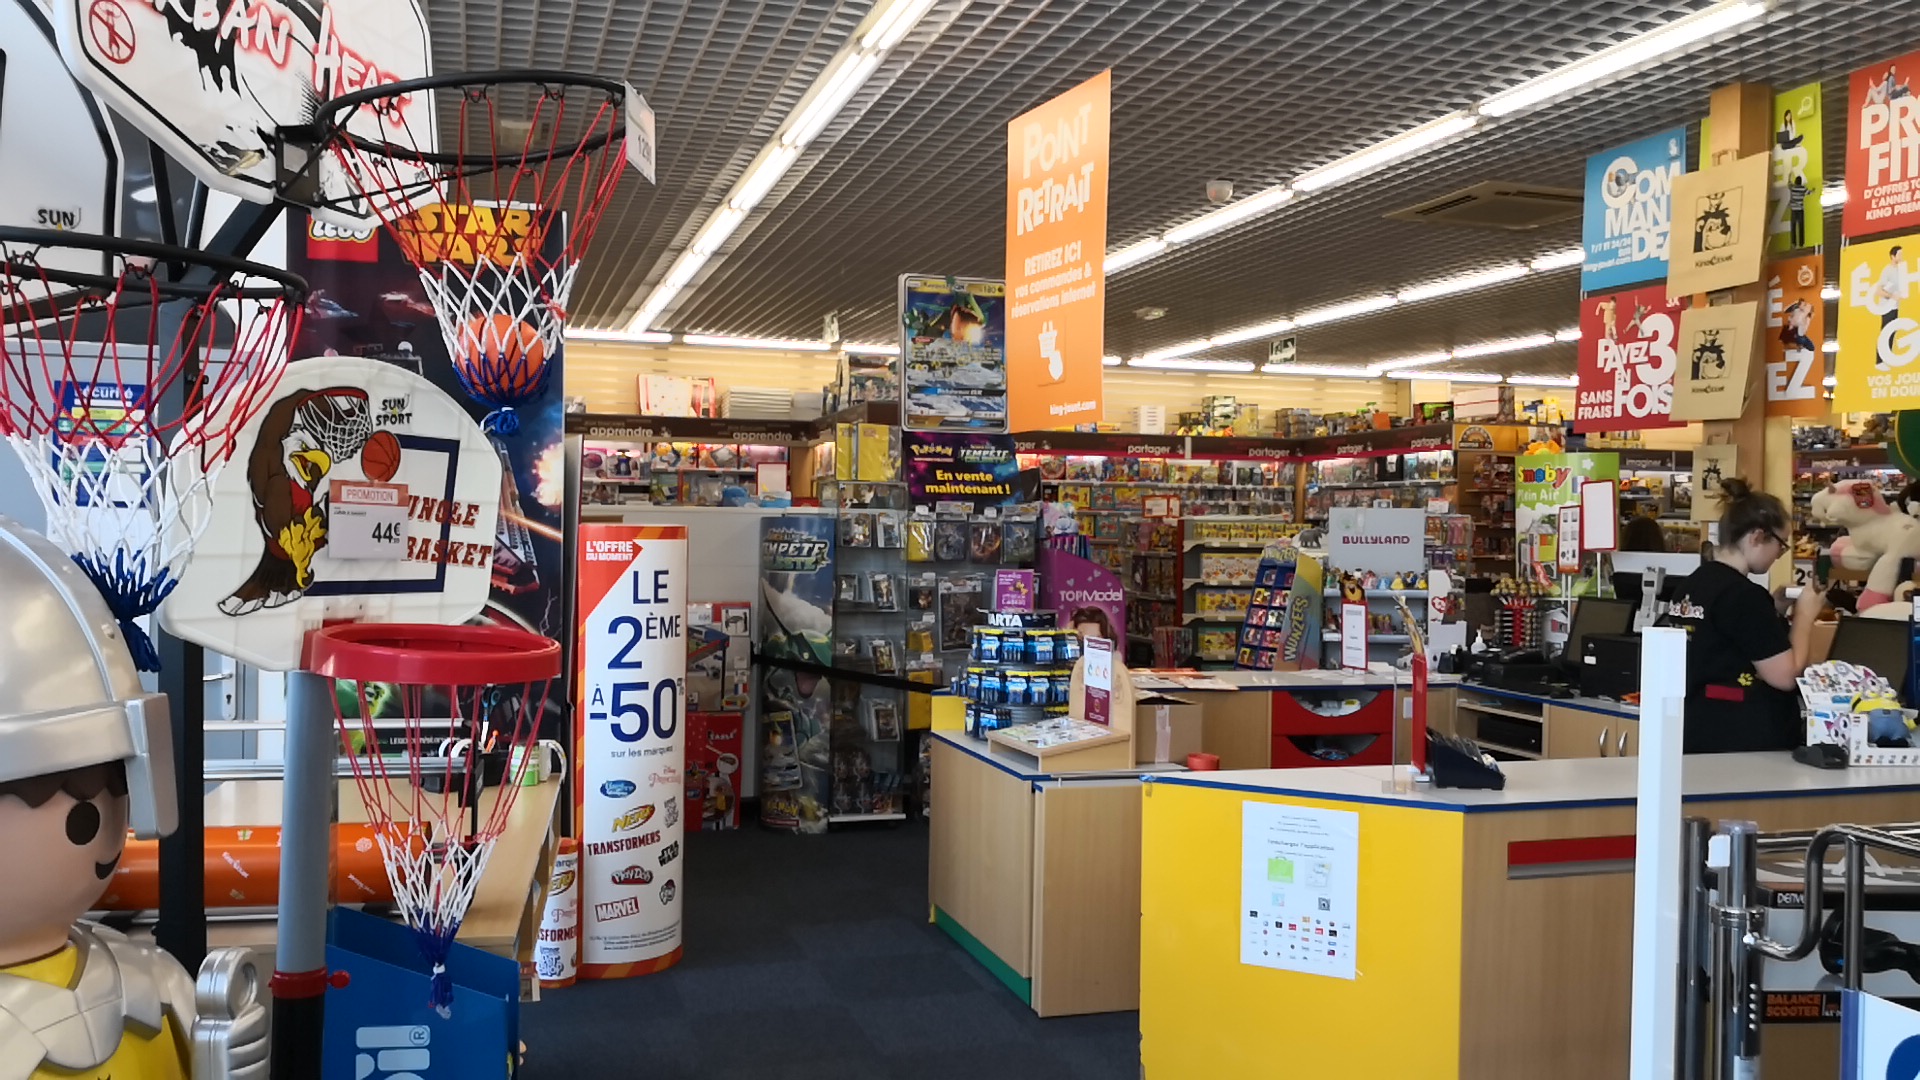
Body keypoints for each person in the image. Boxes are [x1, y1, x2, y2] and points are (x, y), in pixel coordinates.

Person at [1658, 479, 1823, 753]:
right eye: (1781, 545)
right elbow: (1785, 676)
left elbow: (1727, 640)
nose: (1779, 555)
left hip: (1698, 729)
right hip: (1743, 739)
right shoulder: (1744, 595)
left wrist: (1774, 610)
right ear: (1757, 537)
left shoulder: (1692, 584)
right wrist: (1805, 616)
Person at [1787, 173, 1809, 249]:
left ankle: (1793, 243)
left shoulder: (1793, 187)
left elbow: (1789, 184)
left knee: (1793, 227)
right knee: (1801, 226)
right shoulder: (1803, 188)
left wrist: (1789, 177)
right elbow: (1809, 192)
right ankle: (1801, 244)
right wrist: (1813, 190)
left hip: (1793, 209)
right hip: (1800, 210)